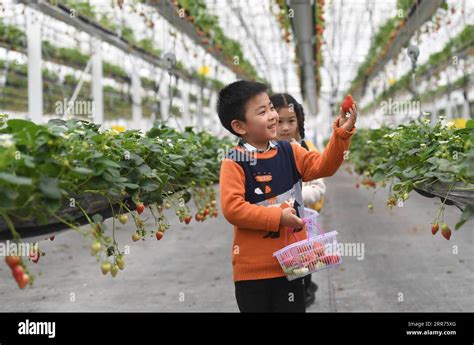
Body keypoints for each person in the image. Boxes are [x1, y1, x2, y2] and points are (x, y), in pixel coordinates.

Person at [217, 80, 357, 312]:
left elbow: (324, 166)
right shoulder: (234, 161)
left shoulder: (289, 151)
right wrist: (278, 217)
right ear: (240, 126)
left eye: (271, 107)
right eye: (263, 112)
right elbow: (233, 209)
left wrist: (341, 133)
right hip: (253, 272)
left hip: (294, 263)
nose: (273, 116)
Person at [270, 93, 326, 308]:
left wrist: (296, 198)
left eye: (291, 121)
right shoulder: (260, 152)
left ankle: (305, 289)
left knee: (298, 272)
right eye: (278, 121)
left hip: (301, 223)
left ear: (299, 122)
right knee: (276, 275)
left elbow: (318, 187)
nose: (285, 127)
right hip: (273, 225)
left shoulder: (306, 149)